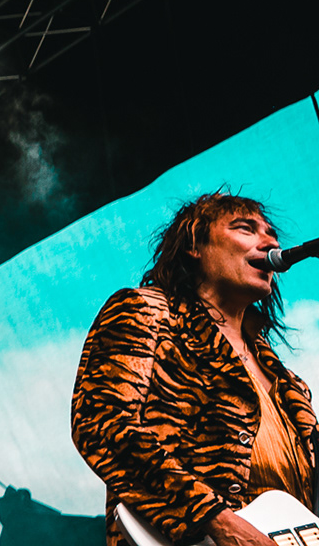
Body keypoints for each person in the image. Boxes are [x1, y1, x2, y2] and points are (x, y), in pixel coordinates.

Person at [72, 192, 317, 546]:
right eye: (246, 228)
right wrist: (217, 522)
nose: (270, 242)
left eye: (271, 234)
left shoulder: (290, 384)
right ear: (194, 247)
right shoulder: (146, 313)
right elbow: (102, 424)